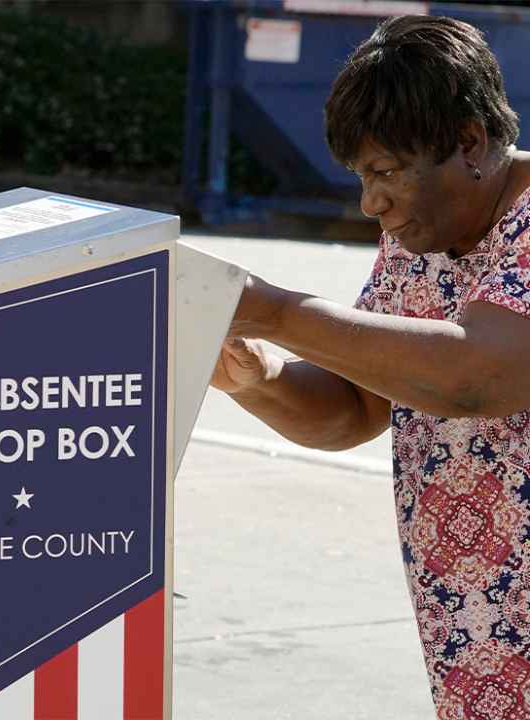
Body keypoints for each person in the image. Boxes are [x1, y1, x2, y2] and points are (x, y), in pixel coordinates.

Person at [211, 14, 530, 719]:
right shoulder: (420, 239)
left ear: (469, 143)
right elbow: (359, 408)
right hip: (473, 638)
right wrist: (260, 381)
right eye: (360, 176)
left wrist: (277, 312)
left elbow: (475, 376)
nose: (369, 202)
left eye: (385, 172)